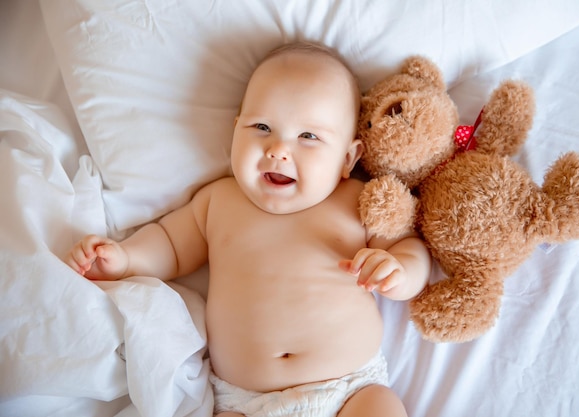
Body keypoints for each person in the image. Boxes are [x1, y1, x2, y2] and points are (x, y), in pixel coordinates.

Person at [65, 42, 431, 417]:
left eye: (308, 137)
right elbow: (171, 245)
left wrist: (399, 270)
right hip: (245, 403)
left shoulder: (357, 200)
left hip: (352, 388)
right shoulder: (218, 202)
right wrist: (125, 258)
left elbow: (409, 246)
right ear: (235, 129)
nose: (278, 149)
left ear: (348, 158)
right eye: (261, 127)